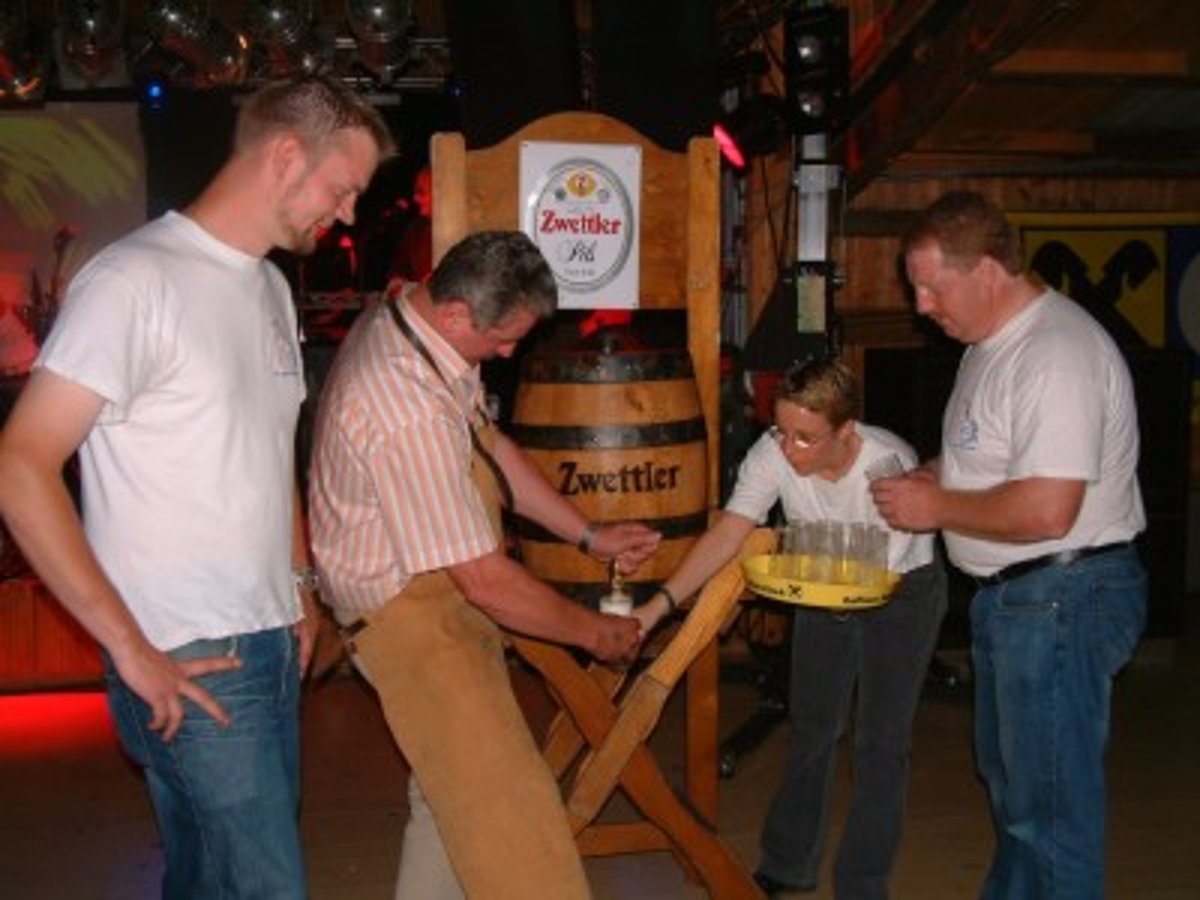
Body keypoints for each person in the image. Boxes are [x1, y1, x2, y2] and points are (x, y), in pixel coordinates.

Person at [0, 75, 393, 898]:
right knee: (267, 885)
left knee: (207, 876)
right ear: (285, 156)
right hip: (183, 648)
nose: (349, 212)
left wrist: (299, 586)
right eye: (342, 188)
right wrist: (128, 647)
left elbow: (269, 451)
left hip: (269, 637)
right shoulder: (134, 281)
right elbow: (19, 463)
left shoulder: (271, 287)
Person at [308, 229, 661, 899]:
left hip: (433, 591)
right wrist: (595, 633)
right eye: (502, 339)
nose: (508, 354)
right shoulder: (404, 404)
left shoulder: (412, 316)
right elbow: (486, 581)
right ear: (455, 313)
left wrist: (589, 535)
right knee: (513, 822)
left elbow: (486, 446)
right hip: (404, 616)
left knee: (448, 800)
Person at [871, 190, 1147, 899]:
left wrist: (937, 507)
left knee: (1048, 812)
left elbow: (1050, 510)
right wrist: (937, 475)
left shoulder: (1054, 354)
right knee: (1016, 794)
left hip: (1063, 595)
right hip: (1026, 602)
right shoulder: (990, 344)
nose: (921, 305)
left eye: (932, 286)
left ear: (988, 271)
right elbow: (994, 458)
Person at [635, 356, 947, 900]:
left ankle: (863, 884)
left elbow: (870, 583)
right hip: (821, 582)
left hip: (900, 589)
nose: (787, 448)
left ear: (845, 432)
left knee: (880, 741)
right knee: (812, 726)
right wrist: (657, 606)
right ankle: (787, 864)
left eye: (805, 438)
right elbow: (729, 533)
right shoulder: (772, 452)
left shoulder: (886, 468)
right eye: (781, 430)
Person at [387, 164, 433, 283]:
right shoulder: (415, 229)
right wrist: (396, 279)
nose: (415, 198)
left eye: (421, 192)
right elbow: (399, 267)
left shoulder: (461, 228)